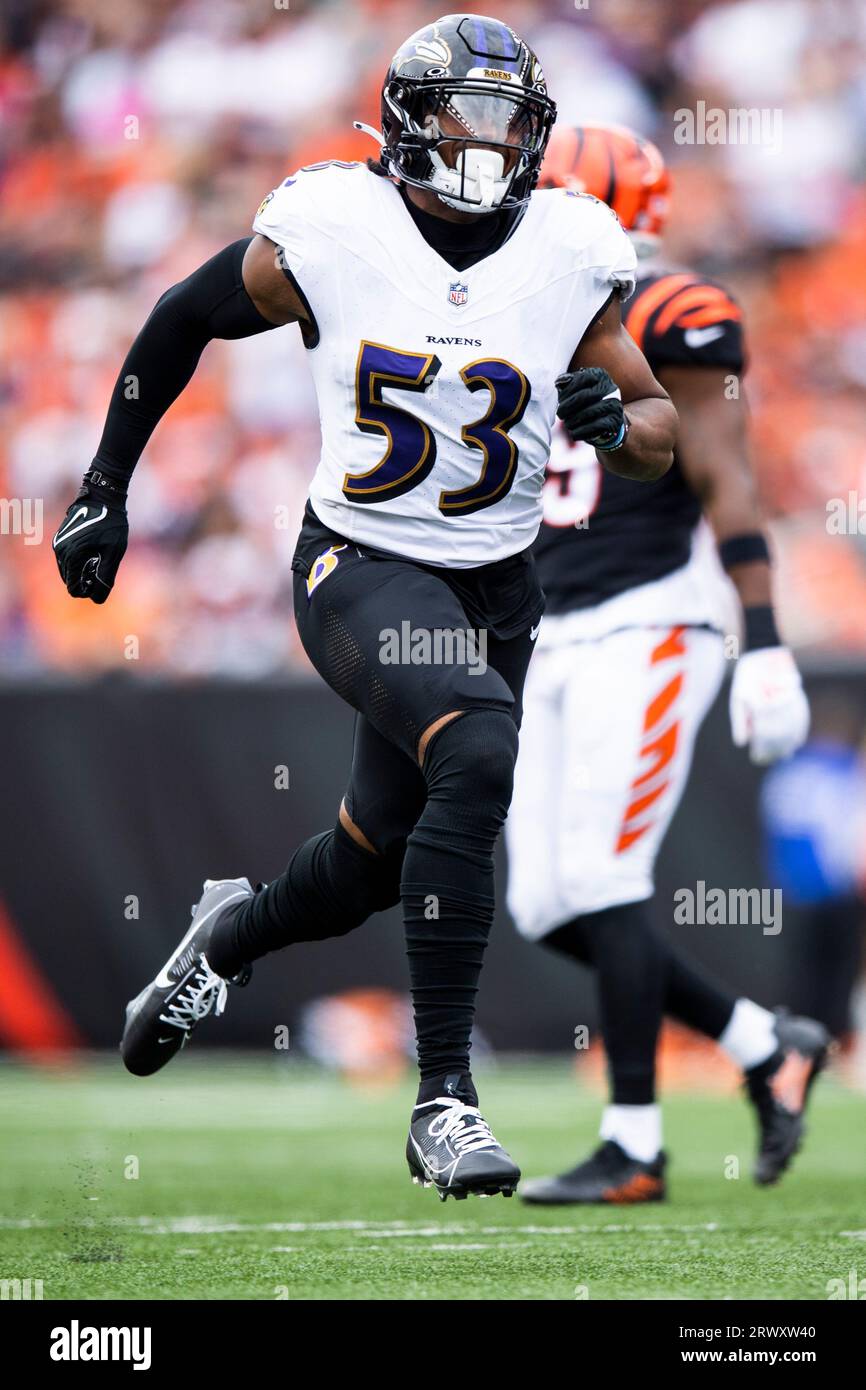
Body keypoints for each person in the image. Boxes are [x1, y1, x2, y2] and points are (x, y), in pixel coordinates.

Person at [52, 23, 677, 1202]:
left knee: (372, 862)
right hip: (361, 562)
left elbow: (656, 435)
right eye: (463, 115)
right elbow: (178, 319)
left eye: (507, 118)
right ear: (403, 121)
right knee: (479, 751)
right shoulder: (334, 227)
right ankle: (444, 1097)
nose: (487, 142)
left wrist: (614, 424)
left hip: (496, 583)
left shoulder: (570, 245)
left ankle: (222, 940)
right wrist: (103, 488)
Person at [506, 125, 825, 1206]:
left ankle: (634, 1142)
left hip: (648, 623)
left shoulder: (675, 307)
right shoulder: (509, 305)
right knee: (547, 903)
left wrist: (765, 640)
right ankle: (761, 1041)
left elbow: (724, 475)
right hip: (546, 629)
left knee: (602, 877)